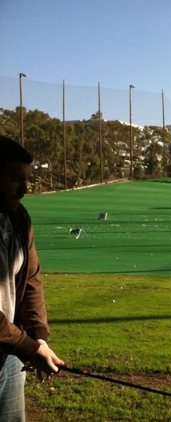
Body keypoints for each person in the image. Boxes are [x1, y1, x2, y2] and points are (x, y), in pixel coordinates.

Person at [0, 135, 64, 420]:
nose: (25, 190)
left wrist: (40, 339)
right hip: (15, 347)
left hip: (10, 357)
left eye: (27, 179)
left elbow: (31, 278)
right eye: (15, 179)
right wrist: (28, 348)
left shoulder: (18, 217)